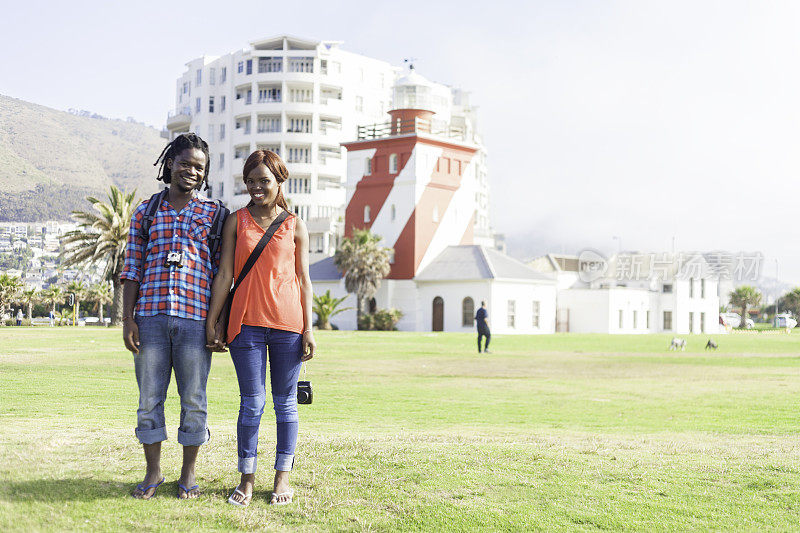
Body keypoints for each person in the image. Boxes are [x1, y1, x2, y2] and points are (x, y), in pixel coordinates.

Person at [206, 149, 315, 507]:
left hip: (288, 325)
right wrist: (213, 320)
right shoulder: (236, 221)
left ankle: (282, 479)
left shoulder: (295, 224)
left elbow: (303, 279)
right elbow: (224, 275)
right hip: (245, 325)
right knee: (252, 404)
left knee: (286, 405)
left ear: (279, 181)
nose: (256, 187)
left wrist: (310, 330)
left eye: (263, 181)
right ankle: (247, 479)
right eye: (250, 181)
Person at [119, 133, 224, 500]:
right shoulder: (146, 211)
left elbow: (221, 274)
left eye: (200, 166)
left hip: (195, 321)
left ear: (206, 173)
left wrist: (217, 322)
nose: (191, 171)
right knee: (149, 398)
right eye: (185, 163)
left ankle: (189, 475)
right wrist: (127, 319)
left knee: (194, 398)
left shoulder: (214, 214)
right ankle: (152, 473)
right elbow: (131, 268)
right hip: (149, 319)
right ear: (169, 164)